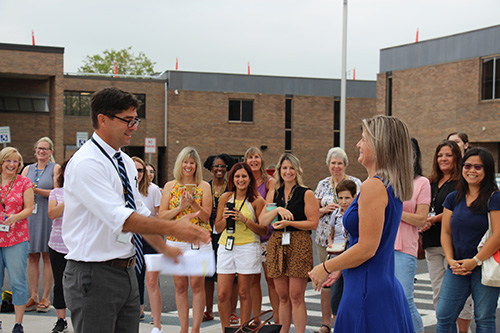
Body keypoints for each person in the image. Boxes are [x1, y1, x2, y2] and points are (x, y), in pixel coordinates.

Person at [62, 87, 210, 333]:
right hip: (94, 273)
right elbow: (122, 219)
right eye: (127, 120)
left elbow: (139, 212)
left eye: (135, 120)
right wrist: (173, 228)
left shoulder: (123, 162)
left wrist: (165, 248)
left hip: (127, 270)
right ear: (103, 119)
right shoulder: (87, 163)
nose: (133, 126)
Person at [308, 115, 414, 332]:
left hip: (367, 289)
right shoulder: (387, 183)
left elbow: (367, 247)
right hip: (374, 281)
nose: (358, 144)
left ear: (379, 145)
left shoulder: (374, 186)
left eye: (363, 139)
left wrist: (326, 267)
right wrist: (342, 268)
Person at [437, 147, 500, 332]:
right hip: (456, 267)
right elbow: (446, 232)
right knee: (444, 316)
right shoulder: (453, 198)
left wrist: (475, 261)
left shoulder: (494, 198)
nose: (471, 170)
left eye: (478, 167)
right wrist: (450, 260)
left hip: (484, 266)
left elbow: (498, 235)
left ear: (487, 170)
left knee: (484, 318)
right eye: (468, 165)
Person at [259, 153, 319, 333]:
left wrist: (289, 223)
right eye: (284, 168)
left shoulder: (306, 192)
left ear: (297, 170)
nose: (288, 171)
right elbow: (263, 220)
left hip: (299, 243)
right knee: (282, 296)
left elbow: (313, 223)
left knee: (296, 295)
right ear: (279, 171)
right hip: (277, 243)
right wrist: (277, 208)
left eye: (291, 168)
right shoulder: (274, 193)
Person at [420, 140, 473, 330]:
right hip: (432, 244)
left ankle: (464, 331)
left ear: (456, 158)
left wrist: (433, 220)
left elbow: (458, 208)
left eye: (448, 155)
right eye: (440, 155)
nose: (443, 159)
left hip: (454, 245)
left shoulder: (462, 182)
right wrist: (423, 220)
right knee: (438, 293)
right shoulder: (430, 181)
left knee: (460, 295)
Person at [159, 146, 212, 333]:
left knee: (197, 286)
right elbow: (162, 217)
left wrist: (194, 203)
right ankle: (183, 328)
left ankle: (195, 328)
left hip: (198, 241)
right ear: (180, 164)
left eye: (192, 162)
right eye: (186, 162)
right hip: (176, 240)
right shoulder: (169, 186)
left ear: (196, 166)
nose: (188, 166)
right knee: (180, 286)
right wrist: (180, 207)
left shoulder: (204, 186)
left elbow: (206, 216)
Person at [215, 162, 268, 331]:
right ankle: (226, 329)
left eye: (244, 176)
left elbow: (264, 229)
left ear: (250, 179)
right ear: (232, 179)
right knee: (223, 294)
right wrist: (225, 218)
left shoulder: (258, 201)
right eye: (237, 176)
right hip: (226, 246)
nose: (241, 179)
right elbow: (217, 228)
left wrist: (245, 220)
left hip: (248, 247)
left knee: (244, 293)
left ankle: (243, 329)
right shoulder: (225, 198)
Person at [313, 147, 361, 333]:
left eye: (339, 163)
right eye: (333, 163)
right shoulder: (322, 184)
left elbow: (364, 206)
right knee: (326, 281)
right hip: (326, 240)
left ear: (345, 165)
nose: (336, 166)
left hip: (350, 241)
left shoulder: (355, 182)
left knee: (347, 280)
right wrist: (325, 210)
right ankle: (326, 323)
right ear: (328, 165)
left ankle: (348, 322)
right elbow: (312, 212)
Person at [394, 138, 430, 333]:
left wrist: (395, 210)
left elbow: (421, 219)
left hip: (405, 248)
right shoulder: (388, 179)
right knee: (388, 299)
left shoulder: (422, 182)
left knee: (405, 299)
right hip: (383, 247)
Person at [21, 137, 61, 312]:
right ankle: (34, 296)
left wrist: (34, 190)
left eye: (45, 149)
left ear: (51, 151)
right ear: (35, 150)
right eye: (39, 148)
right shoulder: (27, 169)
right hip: (31, 216)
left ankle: (46, 297)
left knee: (47, 256)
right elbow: (20, 189)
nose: (41, 151)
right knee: (32, 256)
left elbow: (57, 191)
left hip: (47, 214)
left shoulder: (55, 168)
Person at [0, 147, 34, 333]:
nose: (12, 165)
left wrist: (15, 217)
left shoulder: (24, 182)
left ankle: (18, 323)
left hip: (16, 238)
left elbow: (29, 208)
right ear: (2, 162)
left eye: (15, 161)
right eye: (8, 161)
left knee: (17, 281)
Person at [244, 147, 278, 326]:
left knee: (271, 279)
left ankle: (278, 320)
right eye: (250, 158)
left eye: (256, 157)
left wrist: (254, 197)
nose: (253, 160)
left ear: (261, 160)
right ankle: (256, 319)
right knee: (253, 281)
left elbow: (269, 205)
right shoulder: (243, 179)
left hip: (266, 236)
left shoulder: (269, 182)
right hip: (249, 236)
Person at [202, 153, 235, 323]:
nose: (219, 169)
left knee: (230, 273)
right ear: (210, 168)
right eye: (216, 166)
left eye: (222, 166)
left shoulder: (231, 187)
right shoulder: (206, 187)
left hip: (227, 231)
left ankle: (231, 311)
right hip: (208, 232)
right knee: (208, 273)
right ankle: (208, 310)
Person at [132, 156, 163, 331]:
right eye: (134, 170)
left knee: (152, 280)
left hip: (151, 238)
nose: (138, 174)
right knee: (133, 278)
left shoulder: (153, 190)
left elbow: (160, 216)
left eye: (141, 170)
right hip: (131, 238)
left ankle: (157, 323)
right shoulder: (125, 188)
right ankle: (138, 310)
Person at [326, 179, 356, 331]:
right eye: (341, 198)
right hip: (336, 257)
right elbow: (331, 234)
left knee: (351, 294)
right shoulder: (335, 215)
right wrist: (331, 244)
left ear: (354, 197)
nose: (344, 202)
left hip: (352, 258)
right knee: (336, 296)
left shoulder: (357, 214)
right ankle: (338, 327)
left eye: (347, 198)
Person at [47, 160, 70, 333]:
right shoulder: (56, 193)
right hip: (57, 245)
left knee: (81, 284)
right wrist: (70, 199)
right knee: (59, 283)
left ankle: (80, 316)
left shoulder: (88, 192)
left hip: (78, 246)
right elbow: (52, 214)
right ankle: (61, 320)